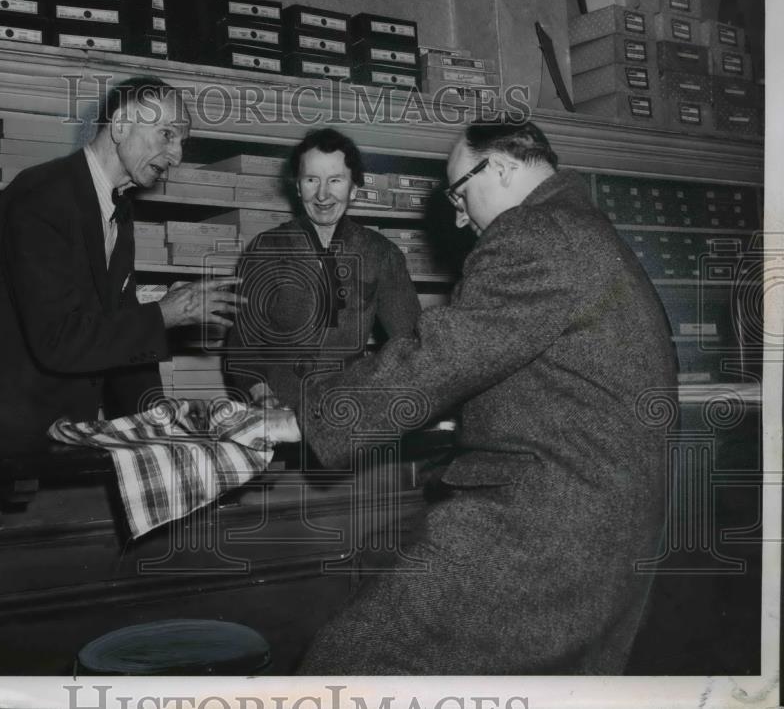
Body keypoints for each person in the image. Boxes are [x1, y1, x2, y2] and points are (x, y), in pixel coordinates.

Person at [268, 119, 678, 674]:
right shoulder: (584, 229)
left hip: (546, 523)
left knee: (347, 667)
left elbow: (440, 353)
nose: (458, 216)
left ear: (503, 168)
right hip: (598, 519)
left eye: (460, 193)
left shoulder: (534, 233)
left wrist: (307, 416)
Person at [0, 76, 240, 449]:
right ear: (122, 125)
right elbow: (59, 340)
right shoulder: (43, 196)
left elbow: (118, 334)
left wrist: (157, 421)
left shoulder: (115, 209)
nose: (177, 156)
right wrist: (165, 313)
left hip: (50, 429)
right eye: (167, 135)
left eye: (181, 143)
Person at [224, 127, 421, 411]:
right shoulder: (266, 249)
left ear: (353, 188)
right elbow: (243, 344)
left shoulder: (382, 254)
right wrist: (264, 398)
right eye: (311, 180)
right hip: (279, 409)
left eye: (336, 180)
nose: (322, 194)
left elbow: (409, 343)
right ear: (297, 185)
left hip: (348, 408)